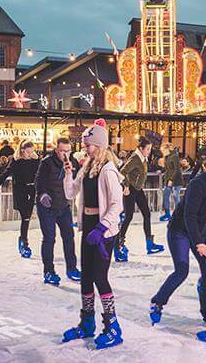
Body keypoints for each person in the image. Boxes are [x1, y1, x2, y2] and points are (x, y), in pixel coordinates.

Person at [149, 149, 206, 325]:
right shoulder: (198, 184)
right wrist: (198, 244)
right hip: (180, 230)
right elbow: (190, 215)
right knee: (182, 270)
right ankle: (157, 302)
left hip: (202, 231)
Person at [61, 123, 125, 349]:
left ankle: (113, 327)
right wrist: (68, 173)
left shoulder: (108, 169)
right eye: (84, 145)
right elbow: (71, 192)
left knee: (99, 276)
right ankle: (87, 322)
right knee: (86, 276)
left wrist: (102, 227)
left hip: (103, 231)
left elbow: (117, 204)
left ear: (99, 145)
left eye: (88, 145)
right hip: (88, 225)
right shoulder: (87, 167)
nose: (85, 149)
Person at [34, 137, 80, 285]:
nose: (65, 154)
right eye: (62, 151)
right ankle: (49, 271)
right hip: (47, 207)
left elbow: (78, 181)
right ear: (56, 150)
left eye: (68, 151)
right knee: (49, 239)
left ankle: (72, 268)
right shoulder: (46, 162)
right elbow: (39, 182)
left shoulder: (73, 163)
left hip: (63, 206)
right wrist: (43, 195)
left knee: (69, 236)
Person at [0, 139, 40, 258]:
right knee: (25, 217)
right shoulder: (16, 161)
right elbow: (4, 175)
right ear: (22, 150)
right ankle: (24, 243)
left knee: (27, 217)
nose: (30, 154)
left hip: (31, 191)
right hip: (20, 192)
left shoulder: (35, 160)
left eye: (32, 151)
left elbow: (42, 174)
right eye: (28, 152)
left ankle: (23, 240)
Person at [117, 136, 163, 261]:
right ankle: (118, 243)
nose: (149, 151)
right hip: (131, 189)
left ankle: (149, 243)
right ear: (141, 148)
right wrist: (125, 186)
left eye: (149, 149)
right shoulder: (135, 158)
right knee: (128, 216)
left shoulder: (143, 158)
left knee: (147, 214)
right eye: (147, 149)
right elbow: (122, 171)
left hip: (138, 189)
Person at [160, 143, 183, 222]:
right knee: (166, 196)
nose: (162, 152)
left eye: (163, 150)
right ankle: (167, 213)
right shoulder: (167, 157)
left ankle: (179, 214)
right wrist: (161, 171)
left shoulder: (175, 156)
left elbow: (177, 170)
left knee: (176, 197)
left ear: (168, 149)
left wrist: (171, 180)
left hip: (176, 181)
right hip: (169, 180)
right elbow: (168, 169)